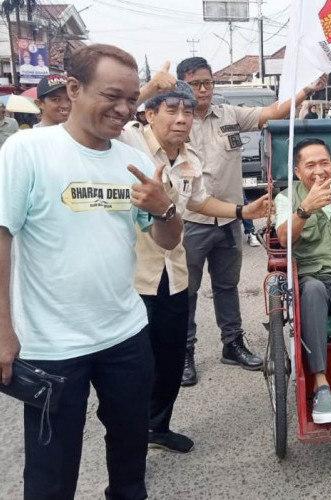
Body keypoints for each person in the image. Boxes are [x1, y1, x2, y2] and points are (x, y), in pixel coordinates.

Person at [0, 43, 183, 499]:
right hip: (50, 345)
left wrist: (166, 209)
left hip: (125, 334)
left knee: (129, 457)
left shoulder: (136, 163)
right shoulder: (27, 150)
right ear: (74, 88)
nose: (124, 110)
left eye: (131, 99)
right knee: (51, 470)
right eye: (112, 96)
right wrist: (3, 330)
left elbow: (168, 240)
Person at [120, 80, 272, 450]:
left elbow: (199, 203)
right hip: (132, 278)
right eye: (170, 110)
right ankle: (127, 446)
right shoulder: (130, 142)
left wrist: (242, 210)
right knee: (133, 369)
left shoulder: (189, 159)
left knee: (170, 362)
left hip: (173, 273)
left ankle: (158, 428)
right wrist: (148, 87)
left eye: (187, 111)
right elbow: (118, 112)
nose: (182, 118)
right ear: (149, 113)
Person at [175, 56, 326, 385]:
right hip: (190, 221)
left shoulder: (228, 114)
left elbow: (272, 112)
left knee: (227, 286)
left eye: (208, 82)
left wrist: (305, 91)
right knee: (186, 291)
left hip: (229, 219)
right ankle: (183, 353)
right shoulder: (176, 120)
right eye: (195, 83)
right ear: (181, 86)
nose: (203, 89)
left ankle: (232, 344)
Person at [275, 138, 331, 424]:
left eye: (324, 163)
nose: (319, 170)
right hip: (309, 276)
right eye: (311, 165)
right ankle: (320, 384)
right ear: (298, 170)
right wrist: (304, 209)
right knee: (313, 289)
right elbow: (283, 239)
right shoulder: (287, 198)